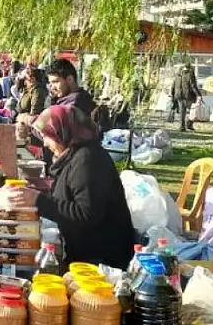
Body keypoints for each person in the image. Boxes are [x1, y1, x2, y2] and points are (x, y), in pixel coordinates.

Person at [9, 105, 136, 268]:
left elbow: (86, 214)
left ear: (63, 133)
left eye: (48, 137)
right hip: (85, 254)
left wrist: (38, 200)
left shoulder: (87, 161)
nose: (45, 143)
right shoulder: (74, 156)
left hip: (101, 261)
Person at [171, 64, 201, 132]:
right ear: (190, 68)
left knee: (182, 112)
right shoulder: (190, 74)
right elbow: (193, 85)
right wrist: (199, 94)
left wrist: (173, 95)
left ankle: (182, 127)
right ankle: (189, 124)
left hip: (179, 95)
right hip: (188, 96)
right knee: (193, 110)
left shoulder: (177, 74)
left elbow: (173, 85)